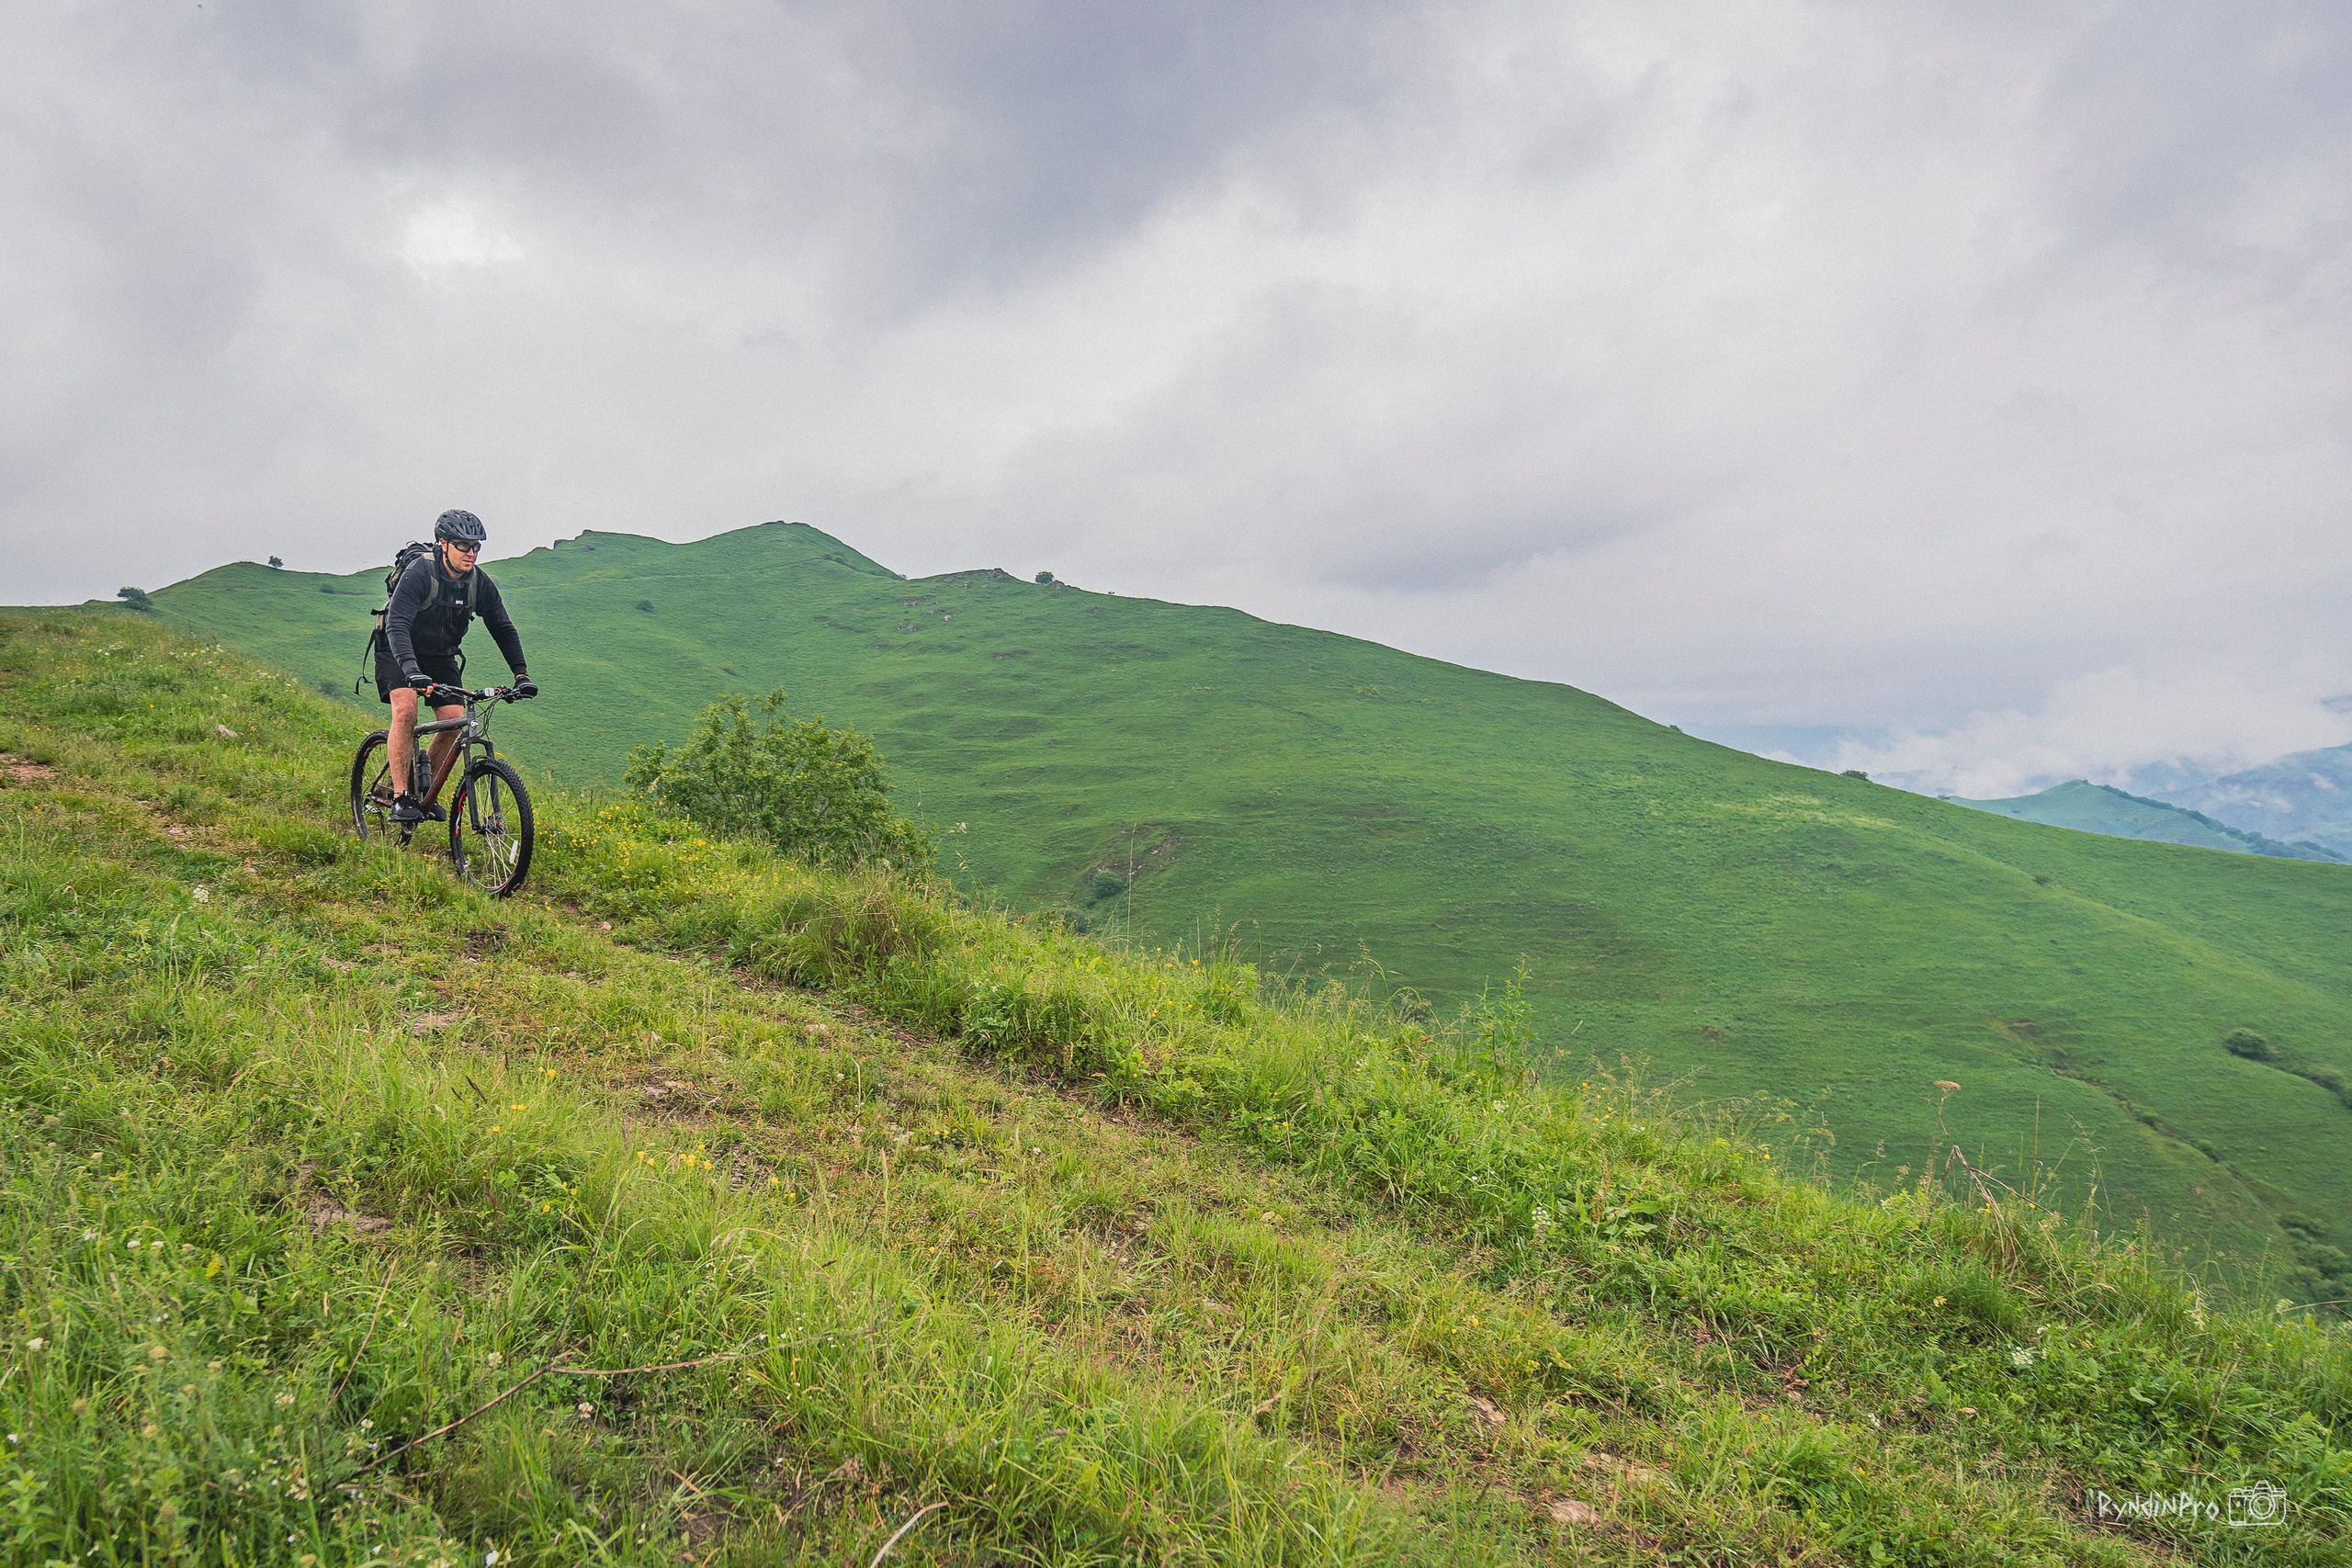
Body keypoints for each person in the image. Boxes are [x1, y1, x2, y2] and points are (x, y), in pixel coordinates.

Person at [377, 509, 537, 822]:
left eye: (476, 546)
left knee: (454, 720)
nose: (472, 552)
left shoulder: (479, 583)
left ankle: (423, 790)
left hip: (439, 654)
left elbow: (503, 628)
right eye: (464, 545)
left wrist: (521, 675)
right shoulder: (419, 574)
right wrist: (411, 671)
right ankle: (399, 796)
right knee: (406, 709)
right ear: (443, 543)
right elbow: (397, 624)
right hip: (398, 647)